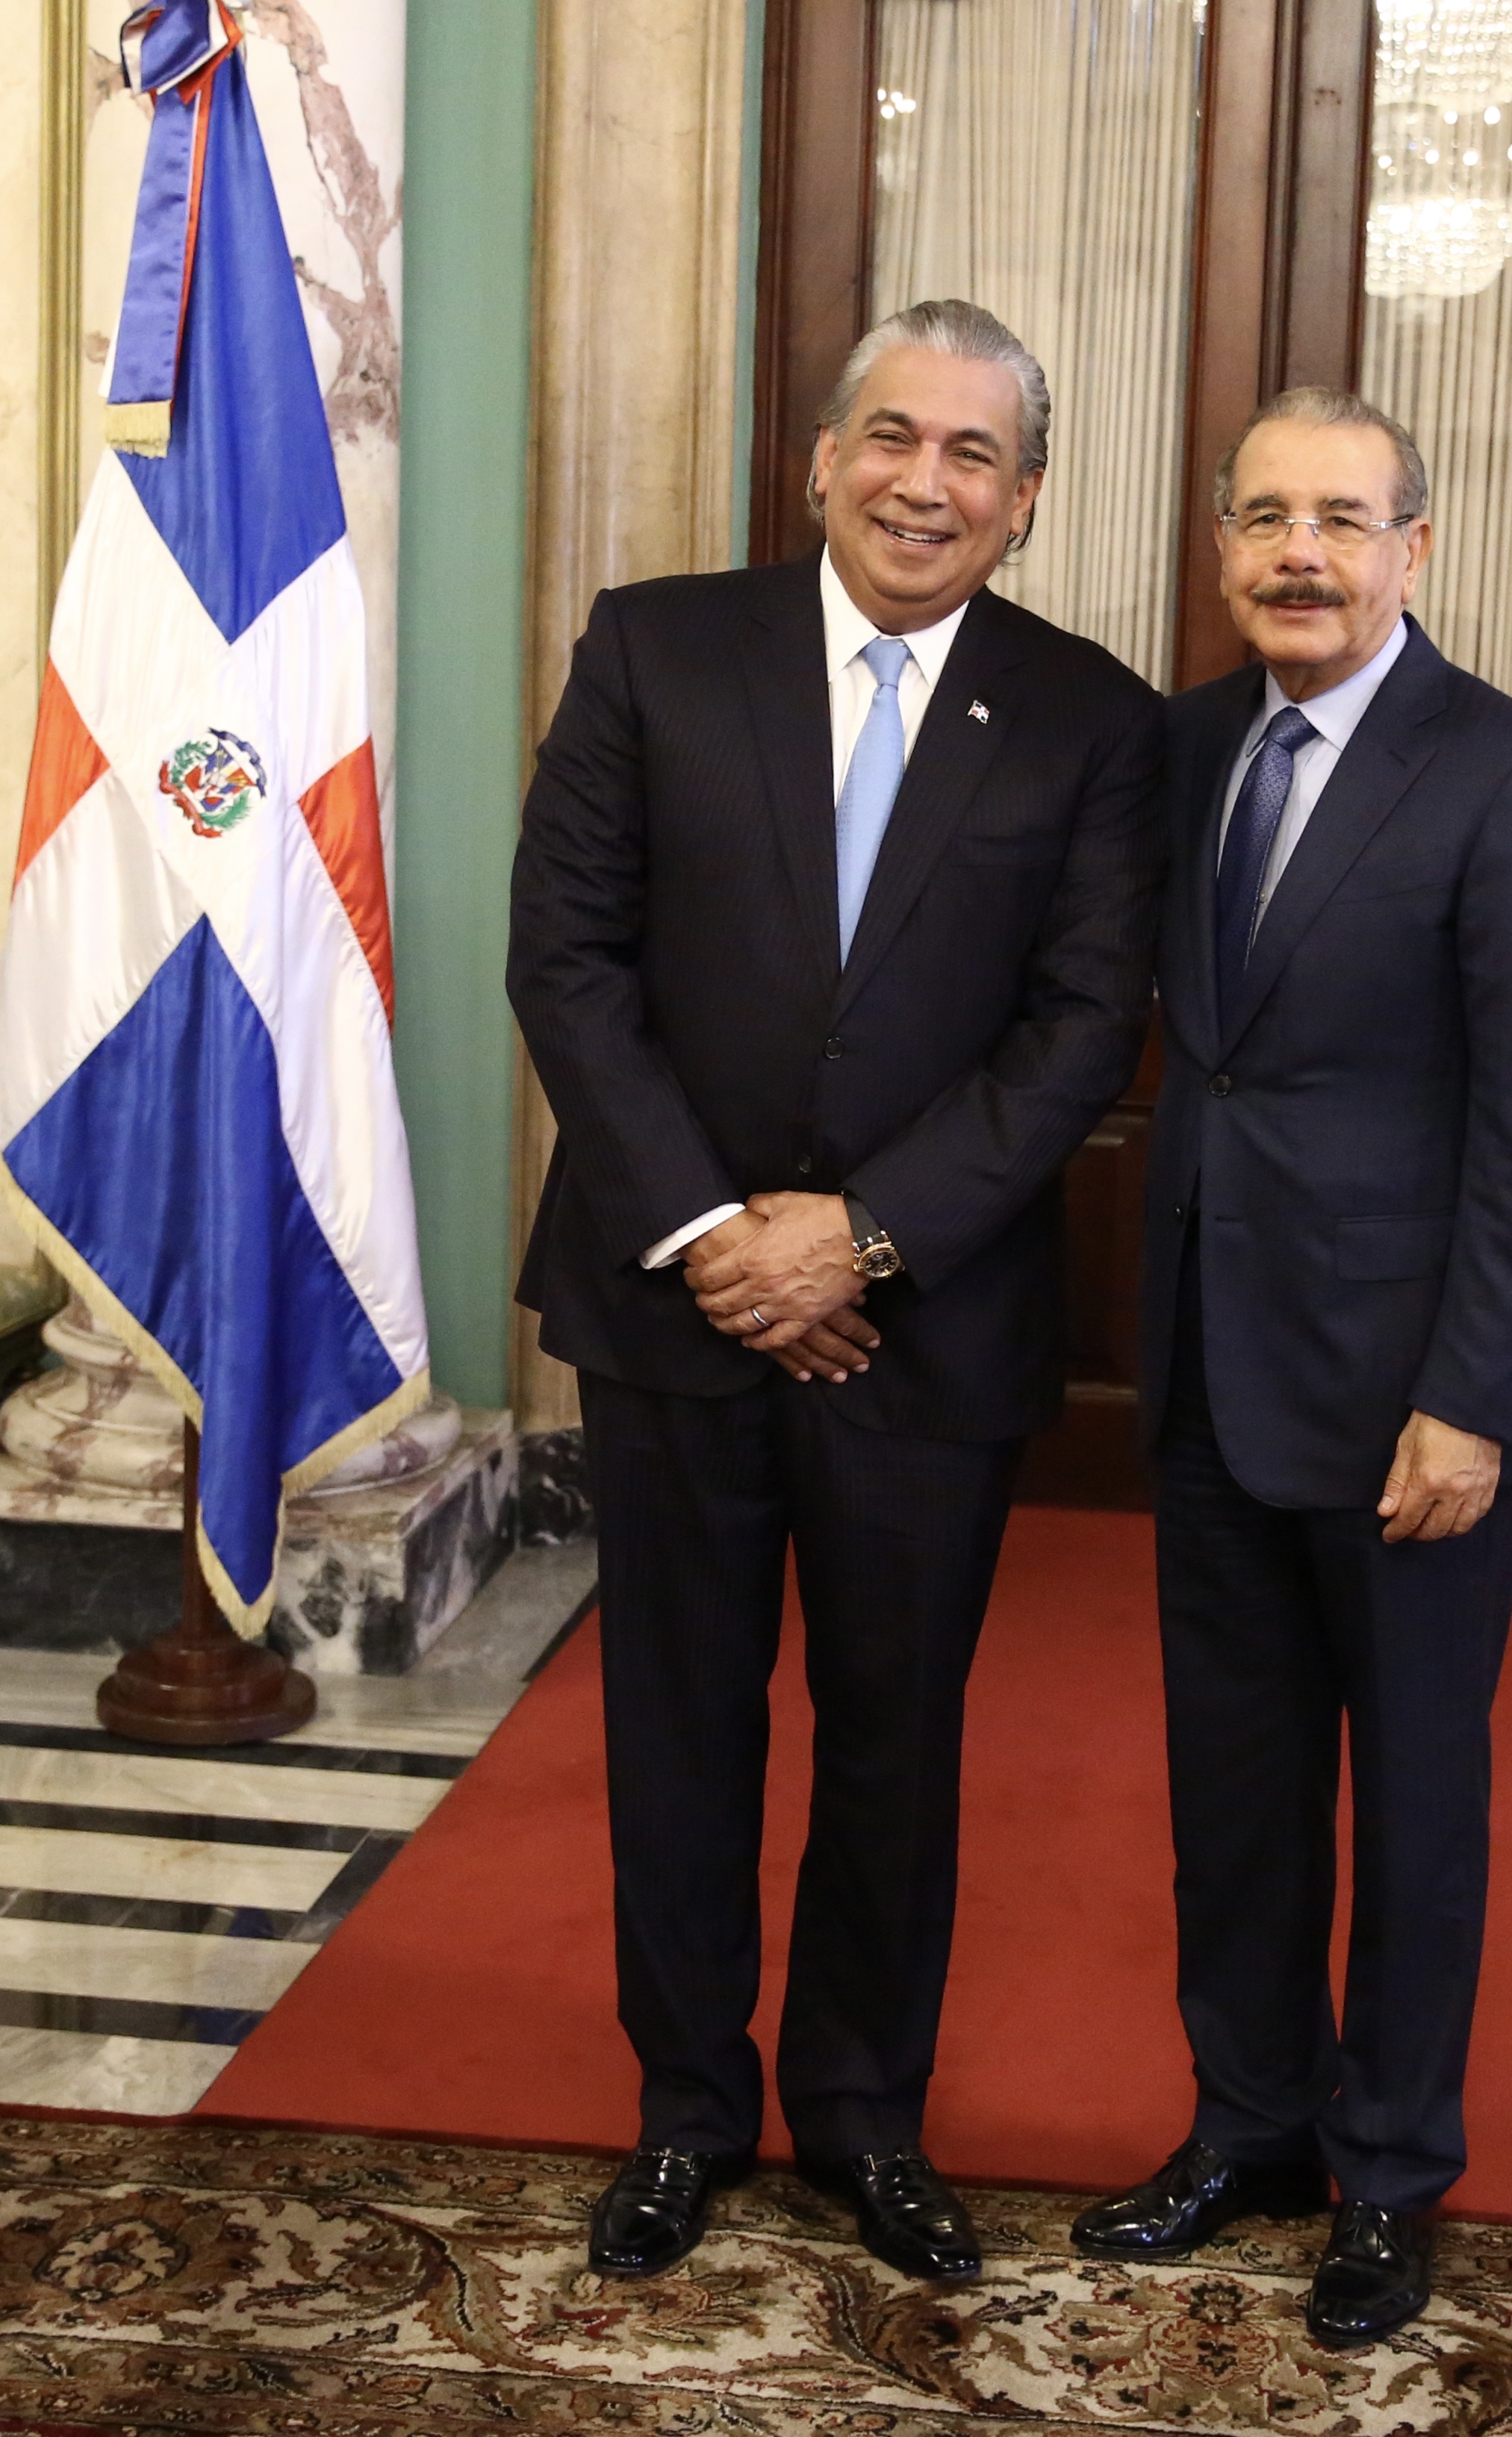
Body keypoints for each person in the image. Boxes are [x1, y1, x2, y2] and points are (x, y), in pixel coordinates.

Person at [508, 299, 1163, 2285]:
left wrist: (857, 1239)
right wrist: (721, 1237)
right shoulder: (654, 646)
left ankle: (867, 2117)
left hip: (924, 1328)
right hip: (676, 1308)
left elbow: (1080, 1030)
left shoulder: (1092, 718)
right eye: (891, 436)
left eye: (973, 455)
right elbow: (567, 960)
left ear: (1027, 500)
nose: (922, 483)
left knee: (894, 1741)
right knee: (677, 1728)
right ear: (819, 460)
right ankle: (686, 2114)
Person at [1068, 389, 1512, 2347]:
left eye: (1343, 519)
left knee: (1413, 1803)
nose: (1301, 553)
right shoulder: (1185, 746)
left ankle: (1387, 2171)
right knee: (1234, 1791)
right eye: (1266, 517)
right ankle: (1248, 2127)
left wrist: (1475, 1397)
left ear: (1414, 550)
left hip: (1409, 1405)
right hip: (1211, 1369)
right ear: (1222, 545)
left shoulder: (1511, 770)